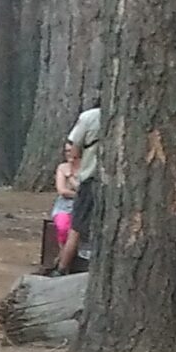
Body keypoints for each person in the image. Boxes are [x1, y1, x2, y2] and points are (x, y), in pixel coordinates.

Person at [59, 95, 101, 273]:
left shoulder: (89, 117)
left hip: (91, 179)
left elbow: (75, 147)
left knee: (76, 227)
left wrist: (74, 168)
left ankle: (62, 267)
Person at [45, 141, 80, 274]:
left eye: (71, 150)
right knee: (63, 227)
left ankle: (62, 261)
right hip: (64, 206)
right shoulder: (62, 167)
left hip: (81, 207)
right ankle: (63, 259)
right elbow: (62, 190)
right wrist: (79, 194)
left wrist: (70, 178)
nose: (69, 154)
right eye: (66, 151)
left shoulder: (87, 167)